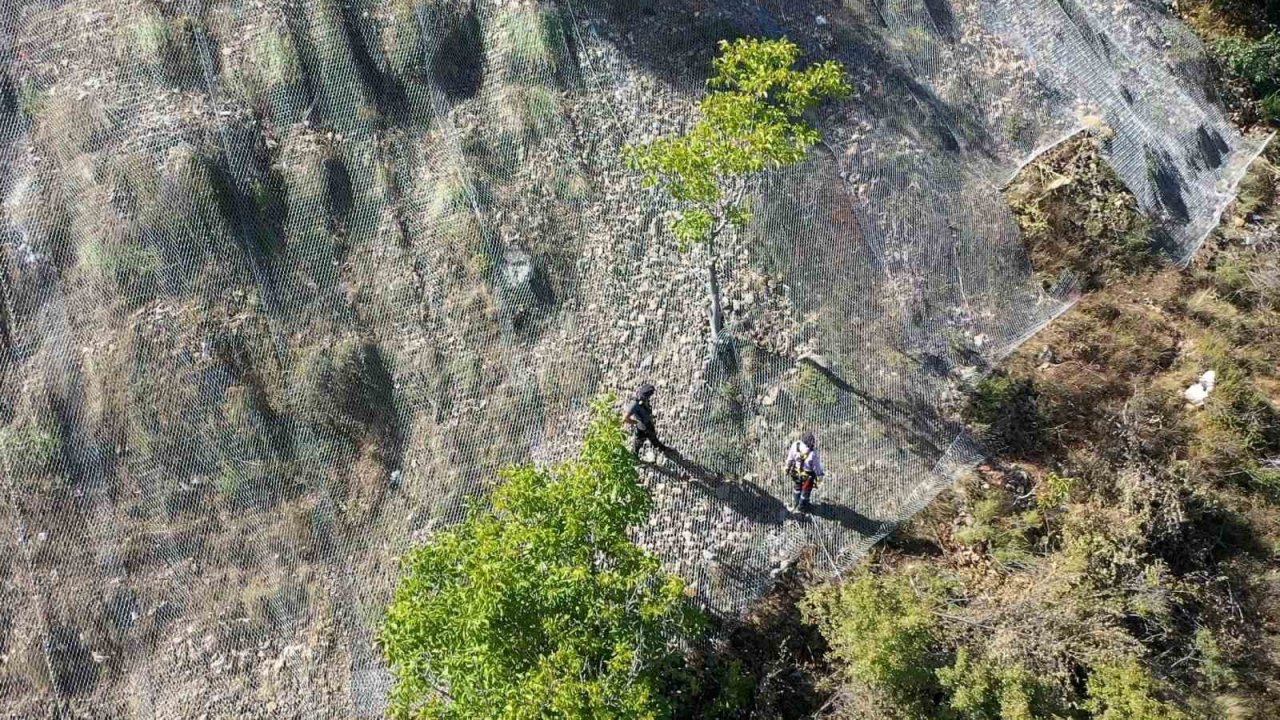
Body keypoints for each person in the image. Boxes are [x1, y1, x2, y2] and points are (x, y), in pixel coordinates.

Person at [622, 382, 669, 457]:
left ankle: (660, 447)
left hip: (648, 423)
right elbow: (624, 418)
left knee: (652, 435)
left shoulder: (643, 399)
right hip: (642, 425)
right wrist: (635, 422)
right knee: (639, 440)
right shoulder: (635, 403)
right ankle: (634, 455)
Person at [785, 432, 824, 513]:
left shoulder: (795, 445)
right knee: (805, 492)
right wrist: (819, 476)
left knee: (797, 488)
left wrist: (787, 468)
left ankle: (795, 504)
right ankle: (801, 507)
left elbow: (790, 458)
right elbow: (816, 466)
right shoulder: (812, 453)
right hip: (808, 476)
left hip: (796, 472)